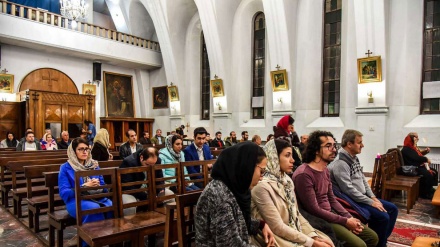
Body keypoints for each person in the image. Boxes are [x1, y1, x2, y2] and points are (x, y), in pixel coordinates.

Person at [292, 130, 378, 247]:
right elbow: (314, 209)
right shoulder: (304, 174)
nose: (334, 149)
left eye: (334, 145)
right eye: (328, 146)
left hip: (331, 214)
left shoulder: (325, 170)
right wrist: (345, 222)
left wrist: (349, 217)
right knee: (359, 245)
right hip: (318, 220)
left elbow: (332, 199)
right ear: (316, 150)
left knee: (372, 237)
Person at [252, 139, 334, 247]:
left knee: (327, 241)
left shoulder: (286, 180)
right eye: (287, 156)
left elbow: (296, 214)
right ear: (274, 158)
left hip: (293, 229)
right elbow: (277, 226)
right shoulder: (261, 185)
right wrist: (312, 243)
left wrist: (314, 236)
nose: (292, 160)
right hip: (275, 236)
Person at [195, 142, 276, 246]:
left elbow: (239, 220)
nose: (262, 177)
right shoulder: (219, 195)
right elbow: (230, 244)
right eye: (262, 171)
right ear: (247, 166)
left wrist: (261, 224)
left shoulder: (234, 186)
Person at [328, 129, 398, 247]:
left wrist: (373, 197)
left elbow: (362, 180)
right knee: (383, 217)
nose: (363, 145)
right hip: (351, 200)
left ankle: (382, 241)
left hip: (362, 197)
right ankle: (378, 244)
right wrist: (371, 202)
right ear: (349, 144)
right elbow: (348, 190)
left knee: (393, 209)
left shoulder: (353, 157)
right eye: (359, 143)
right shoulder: (341, 163)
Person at [58, 138, 112, 247]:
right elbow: (64, 194)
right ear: (73, 151)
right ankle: (89, 243)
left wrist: (99, 185)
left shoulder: (94, 165)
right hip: (76, 200)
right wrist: (83, 187)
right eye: (81, 149)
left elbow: (104, 186)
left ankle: (106, 241)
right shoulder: (65, 168)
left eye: (87, 149)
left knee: (111, 205)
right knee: (93, 208)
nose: (85, 152)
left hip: (96, 197)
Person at [119, 147, 174, 215]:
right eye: (147, 165)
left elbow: (160, 178)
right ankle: (131, 224)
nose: (150, 168)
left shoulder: (157, 160)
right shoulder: (129, 162)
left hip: (150, 189)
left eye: (153, 165)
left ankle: (166, 222)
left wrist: (161, 190)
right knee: (129, 205)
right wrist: (146, 196)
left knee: (170, 196)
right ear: (141, 158)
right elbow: (127, 186)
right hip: (132, 191)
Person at [401, 132, 438, 199]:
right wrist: (426, 159)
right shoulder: (407, 149)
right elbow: (416, 158)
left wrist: (425, 151)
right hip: (412, 168)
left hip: (417, 166)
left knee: (434, 171)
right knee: (428, 174)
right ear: (411, 139)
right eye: (416, 138)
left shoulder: (412, 148)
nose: (418, 139)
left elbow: (419, 154)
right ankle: (425, 194)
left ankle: (430, 189)